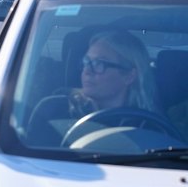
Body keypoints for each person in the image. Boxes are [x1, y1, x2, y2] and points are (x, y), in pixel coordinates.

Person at [26, 29, 157, 147]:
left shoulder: (148, 126)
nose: (87, 70)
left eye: (99, 63)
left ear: (129, 76)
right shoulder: (53, 110)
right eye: (86, 61)